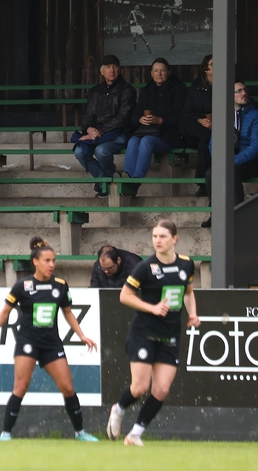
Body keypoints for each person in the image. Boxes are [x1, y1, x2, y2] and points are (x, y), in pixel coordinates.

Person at [0, 237, 99, 442]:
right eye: (47, 261)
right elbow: (5, 312)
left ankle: (81, 433)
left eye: (53, 261)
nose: (51, 265)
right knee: (20, 387)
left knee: (68, 388)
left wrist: (82, 335)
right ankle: (5, 433)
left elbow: (67, 313)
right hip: (28, 342)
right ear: (35, 262)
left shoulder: (60, 285)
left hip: (51, 344)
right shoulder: (22, 286)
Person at [106, 219, 198, 446]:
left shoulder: (187, 264)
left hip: (171, 334)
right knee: (139, 388)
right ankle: (118, 408)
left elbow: (188, 292)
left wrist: (193, 314)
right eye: (155, 236)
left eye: (163, 236)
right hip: (144, 332)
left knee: (162, 389)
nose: (158, 240)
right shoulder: (145, 267)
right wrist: (153, 308)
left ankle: (134, 434)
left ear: (175, 239)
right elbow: (124, 296)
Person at [201, 81, 258, 228]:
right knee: (211, 173)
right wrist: (220, 160)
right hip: (227, 161)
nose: (244, 93)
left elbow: (256, 146)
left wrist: (233, 161)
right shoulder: (223, 115)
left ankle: (237, 214)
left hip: (250, 162)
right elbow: (213, 143)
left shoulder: (255, 115)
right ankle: (215, 215)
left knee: (230, 171)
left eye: (244, 90)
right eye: (239, 91)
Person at [121, 58, 186, 197]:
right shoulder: (147, 90)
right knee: (133, 140)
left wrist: (161, 120)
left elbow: (181, 116)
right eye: (156, 71)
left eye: (162, 70)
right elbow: (135, 115)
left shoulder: (178, 88)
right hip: (147, 131)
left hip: (168, 135)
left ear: (168, 72)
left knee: (146, 141)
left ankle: (137, 179)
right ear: (151, 73)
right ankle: (127, 177)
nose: (159, 74)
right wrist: (141, 119)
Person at [74, 55, 135, 198]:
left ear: (119, 69)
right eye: (108, 67)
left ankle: (104, 184)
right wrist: (89, 129)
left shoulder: (127, 90)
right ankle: (105, 181)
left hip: (118, 132)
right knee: (79, 151)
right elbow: (87, 116)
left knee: (101, 151)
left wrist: (99, 131)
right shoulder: (94, 91)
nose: (112, 70)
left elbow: (123, 118)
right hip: (96, 133)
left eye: (115, 66)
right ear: (102, 71)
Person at [179, 55, 213, 196]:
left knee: (204, 143)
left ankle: (203, 183)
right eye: (213, 64)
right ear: (206, 70)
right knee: (185, 122)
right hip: (197, 125)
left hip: (219, 126)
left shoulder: (231, 82)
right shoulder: (197, 86)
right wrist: (200, 120)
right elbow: (187, 111)